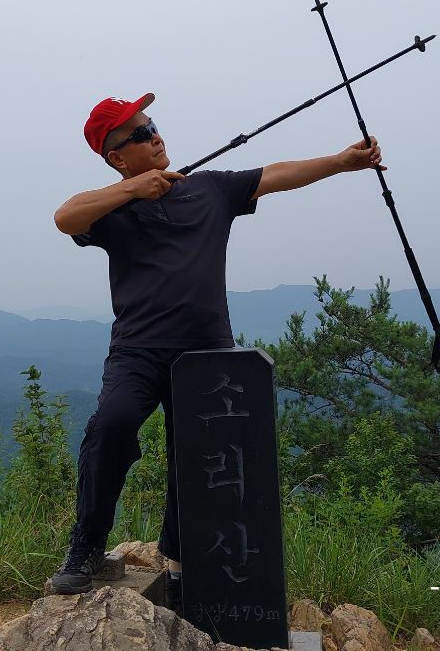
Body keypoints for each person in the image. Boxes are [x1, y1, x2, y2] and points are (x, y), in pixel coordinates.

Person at [49, 93, 384, 611]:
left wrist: (342, 162)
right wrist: (135, 189)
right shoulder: (113, 210)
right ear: (116, 157)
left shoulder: (209, 188)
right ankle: (86, 546)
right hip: (137, 351)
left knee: (196, 456)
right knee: (111, 426)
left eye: (153, 126)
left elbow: (275, 174)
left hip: (208, 353)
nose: (155, 136)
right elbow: (65, 217)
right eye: (140, 134)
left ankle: (181, 570)